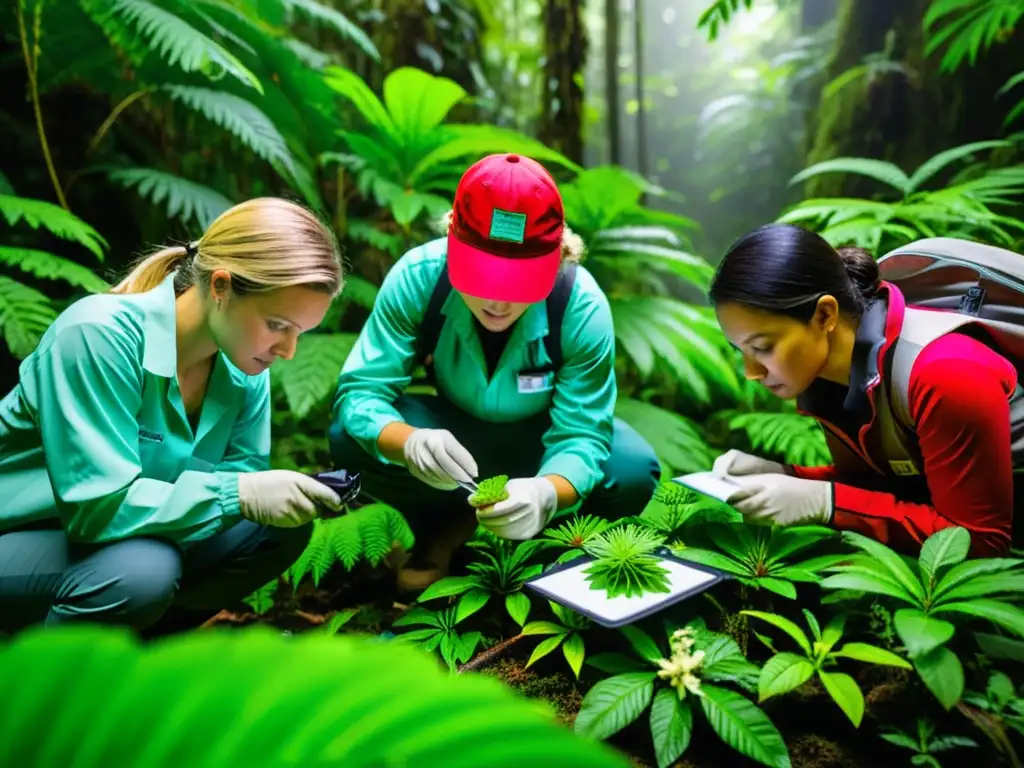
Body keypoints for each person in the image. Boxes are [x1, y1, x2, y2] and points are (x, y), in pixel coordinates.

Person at [0, 197, 346, 635]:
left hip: (117, 547)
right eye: (278, 324)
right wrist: (238, 494)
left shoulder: (244, 368)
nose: (289, 351)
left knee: (275, 531)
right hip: (24, 538)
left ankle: (145, 655)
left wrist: (265, 494)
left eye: (300, 332)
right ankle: (47, 688)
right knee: (144, 571)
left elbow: (237, 489)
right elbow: (95, 511)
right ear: (220, 287)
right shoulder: (96, 336)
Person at [329, 152, 661, 590]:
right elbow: (361, 395)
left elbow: (581, 435)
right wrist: (408, 442)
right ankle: (439, 528)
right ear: (452, 243)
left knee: (633, 469)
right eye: (480, 275)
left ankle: (549, 543)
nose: (498, 302)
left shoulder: (580, 306)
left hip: (540, 442)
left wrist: (546, 493)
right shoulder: (418, 278)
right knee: (347, 436)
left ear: (558, 255)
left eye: (520, 281)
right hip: (453, 442)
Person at [707, 222, 1016, 557]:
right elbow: (886, 483)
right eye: (742, 351)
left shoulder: (945, 373)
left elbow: (981, 543)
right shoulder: (828, 378)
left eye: (764, 347)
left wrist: (824, 502)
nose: (752, 372)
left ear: (825, 315)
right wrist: (787, 475)